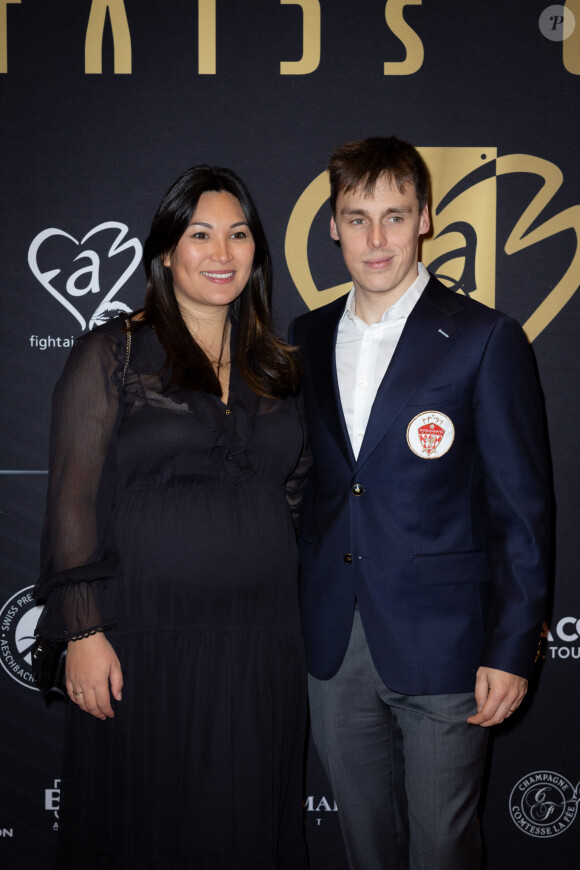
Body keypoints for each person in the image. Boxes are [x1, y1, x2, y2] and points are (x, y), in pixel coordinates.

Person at [34, 165, 311, 869]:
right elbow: (73, 500)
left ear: (257, 252)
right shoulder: (115, 351)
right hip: (143, 640)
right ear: (165, 251)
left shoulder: (278, 366)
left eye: (239, 235)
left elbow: (295, 495)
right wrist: (83, 630)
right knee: (147, 830)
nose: (222, 253)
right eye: (201, 234)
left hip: (261, 645)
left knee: (244, 830)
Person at [290, 136, 552, 870]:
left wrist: (512, 648)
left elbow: (521, 511)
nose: (377, 238)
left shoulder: (484, 337)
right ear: (333, 225)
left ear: (427, 219)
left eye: (395, 216)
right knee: (364, 850)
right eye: (357, 216)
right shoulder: (303, 339)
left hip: (447, 648)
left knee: (443, 850)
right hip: (334, 646)